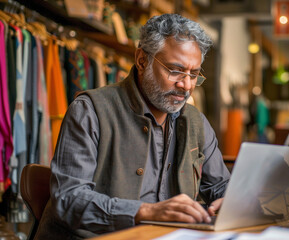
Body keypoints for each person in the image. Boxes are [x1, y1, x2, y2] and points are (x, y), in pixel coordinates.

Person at [35, 14, 230, 239]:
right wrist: (145, 211)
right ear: (141, 60)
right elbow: (69, 199)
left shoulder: (196, 122)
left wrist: (230, 201)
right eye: (175, 71)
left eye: (193, 74)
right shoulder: (90, 111)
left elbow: (221, 186)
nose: (185, 85)